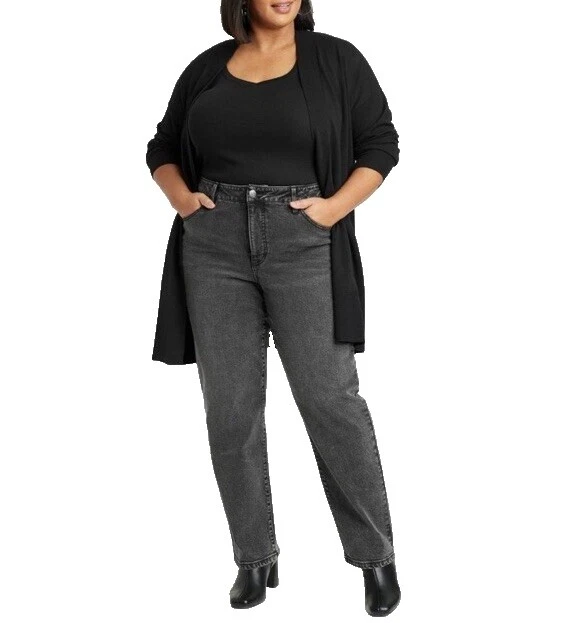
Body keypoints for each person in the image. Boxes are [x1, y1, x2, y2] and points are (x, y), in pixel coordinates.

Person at [146, 0, 401, 616]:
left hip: (304, 240)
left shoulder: (336, 59)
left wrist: (332, 210)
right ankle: (254, 556)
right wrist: (183, 200)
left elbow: (381, 144)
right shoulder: (207, 68)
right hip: (214, 247)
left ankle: (375, 559)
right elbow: (161, 147)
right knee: (231, 409)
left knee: (330, 401)